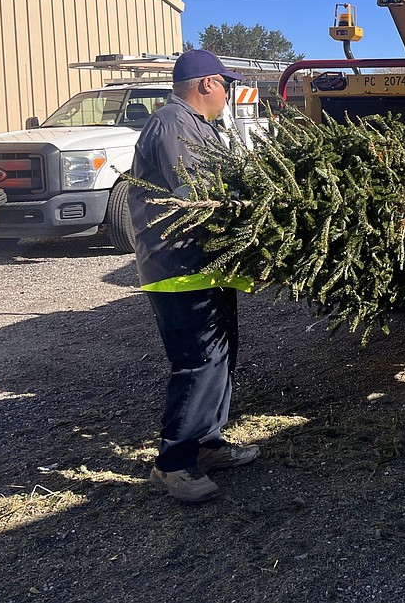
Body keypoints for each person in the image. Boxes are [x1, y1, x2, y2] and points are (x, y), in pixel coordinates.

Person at [130, 49, 259, 502]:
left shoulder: (197, 125)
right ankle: (172, 464)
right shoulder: (173, 123)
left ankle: (208, 443)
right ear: (207, 84)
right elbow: (200, 196)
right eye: (225, 84)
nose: (227, 93)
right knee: (198, 362)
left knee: (221, 357)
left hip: (206, 267)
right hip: (180, 268)